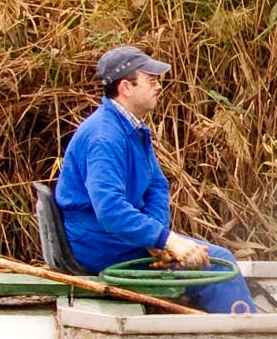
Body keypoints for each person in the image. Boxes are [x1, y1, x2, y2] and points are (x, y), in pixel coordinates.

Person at [53, 44, 256, 315]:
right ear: (126, 87)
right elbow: (110, 210)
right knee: (218, 263)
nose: (158, 86)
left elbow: (157, 185)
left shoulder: (132, 128)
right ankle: (246, 333)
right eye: (151, 80)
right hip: (98, 241)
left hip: (119, 236)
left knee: (209, 258)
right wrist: (167, 241)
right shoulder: (104, 137)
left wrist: (156, 239)